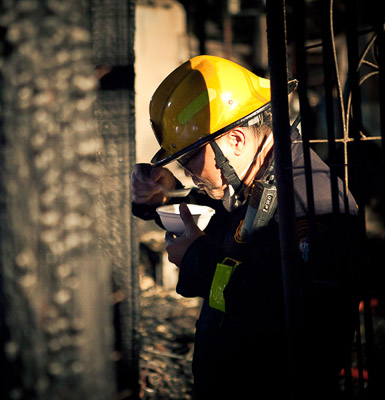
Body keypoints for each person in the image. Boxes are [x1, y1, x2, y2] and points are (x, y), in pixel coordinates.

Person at [131, 55, 360, 399]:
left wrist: (196, 257)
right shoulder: (257, 181)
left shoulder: (310, 203)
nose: (188, 171)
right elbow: (222, 218)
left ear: (235, 141)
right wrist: (159, 198)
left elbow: (288, 311)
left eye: (190, 158)